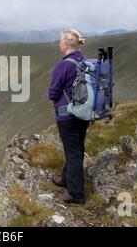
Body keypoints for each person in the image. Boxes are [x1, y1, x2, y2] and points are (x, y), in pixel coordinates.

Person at [48, 29, 89, 204]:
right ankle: (67, 179)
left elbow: (53, 92)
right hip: (84, 113)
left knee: (73, 151)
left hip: (67, 116)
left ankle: (76, 193)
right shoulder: (84, 61)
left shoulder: (63, 65)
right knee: (76, 148)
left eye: (60, 42)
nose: (59, 44)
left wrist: (53, 100)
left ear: (65, 44)